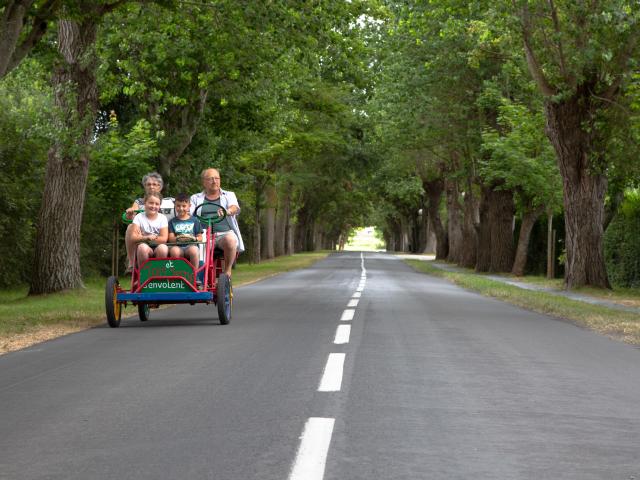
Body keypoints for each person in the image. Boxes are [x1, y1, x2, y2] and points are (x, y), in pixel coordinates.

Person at [190, 168, 244, 277]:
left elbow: (235, 208)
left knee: (230, 239)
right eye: (210, 179)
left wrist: (227, 211)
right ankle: (198, 278)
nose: (214, 181)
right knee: (194, 250)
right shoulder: (195, 198)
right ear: (204, 182)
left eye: (217, 178)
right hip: (203, 235)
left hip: (224, 234)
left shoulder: (228, 195)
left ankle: (227, 271)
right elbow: (189, 214)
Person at [124, 172, 164, 272]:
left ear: (160, 186)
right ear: (145, 186)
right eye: (148, 184)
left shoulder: (167, 201)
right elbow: (133, 213)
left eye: (154, 184)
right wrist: (130, 213)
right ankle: (132, 263)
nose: (151, 187)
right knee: (130, 227)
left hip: (161, 234)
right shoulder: (139, 201)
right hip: (142, 234)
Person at [130, 192, 169, 268]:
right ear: (145, 203)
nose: (153, 206)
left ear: (160, 205)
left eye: (157, 204)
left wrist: (142, 237)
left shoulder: (162, 218)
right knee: (142, 247)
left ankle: (159, 274)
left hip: (158, 247)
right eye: (151, 203)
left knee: (163, 248)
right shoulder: (139, 217)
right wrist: (146, 238)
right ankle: (143, 275)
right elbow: (133, 238)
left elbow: (164, 239)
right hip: (144, 247)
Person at [168, 193, 203, 267]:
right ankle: (177, 273)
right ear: (175, 206)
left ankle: (194, 274)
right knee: (174, 251)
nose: (181, 208)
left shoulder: (195, 220)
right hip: (177, 246)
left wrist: (193, 238)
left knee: (194, 250)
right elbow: (171, 239)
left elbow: (200, 238)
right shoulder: (172, 221)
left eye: (184, 206)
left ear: (189, 206)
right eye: (178, 206)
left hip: (190, 246)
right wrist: (179, 238)